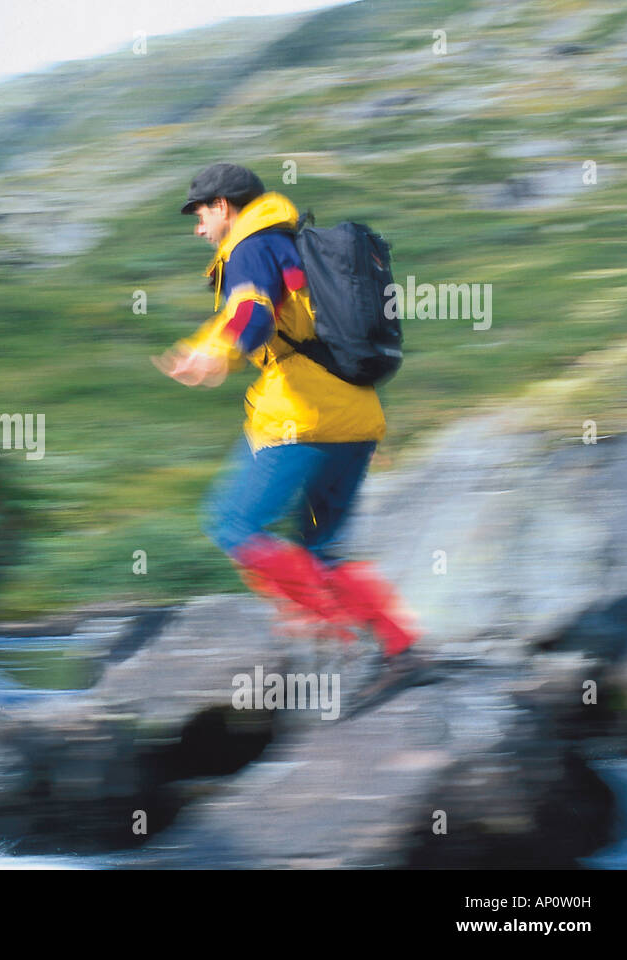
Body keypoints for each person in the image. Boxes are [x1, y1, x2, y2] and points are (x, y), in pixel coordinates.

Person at [153, 163, 431, 700]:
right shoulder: (293, 245)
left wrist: (216, 354)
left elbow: (252, 317)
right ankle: (402, 648)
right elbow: (275, 325)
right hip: (358, 416)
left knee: (233, 524)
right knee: (322, 547)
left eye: (200, 213)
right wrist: (214, 348)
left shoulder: (250, 247)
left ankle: (335, 630)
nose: (198, 227)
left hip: (300, 419)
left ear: (225, 206)